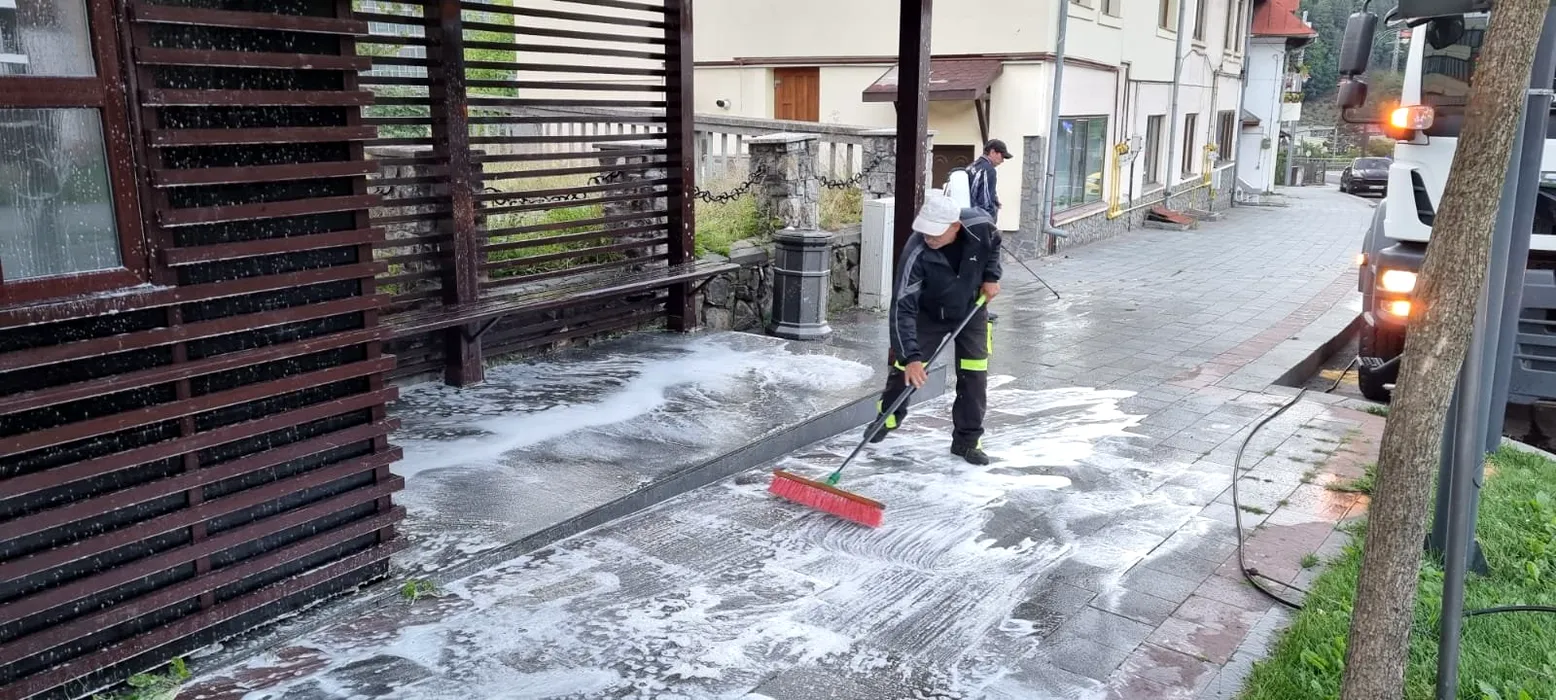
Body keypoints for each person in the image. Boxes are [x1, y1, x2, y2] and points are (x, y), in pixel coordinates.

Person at [869, 194, 1002, 465]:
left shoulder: (980, 226)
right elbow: (902, 308)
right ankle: (888, 415)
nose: (928, 237)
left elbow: (994, 243)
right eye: (925, 230)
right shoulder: (916, 253)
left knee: (974, 375)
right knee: (906, 369)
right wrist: (911, 357)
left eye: (935, 232)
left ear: (955, 226)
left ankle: (967, 441)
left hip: (971, 308)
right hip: (929, 315)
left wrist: (991, 276)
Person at [967, 139, 1013, 220]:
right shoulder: (988, 170)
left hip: (968, 216)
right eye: (1002, 156)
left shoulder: (972, 166)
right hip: (979, 220)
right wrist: (991, 216)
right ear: (992, 152)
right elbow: (986, 203)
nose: (1002, 160)